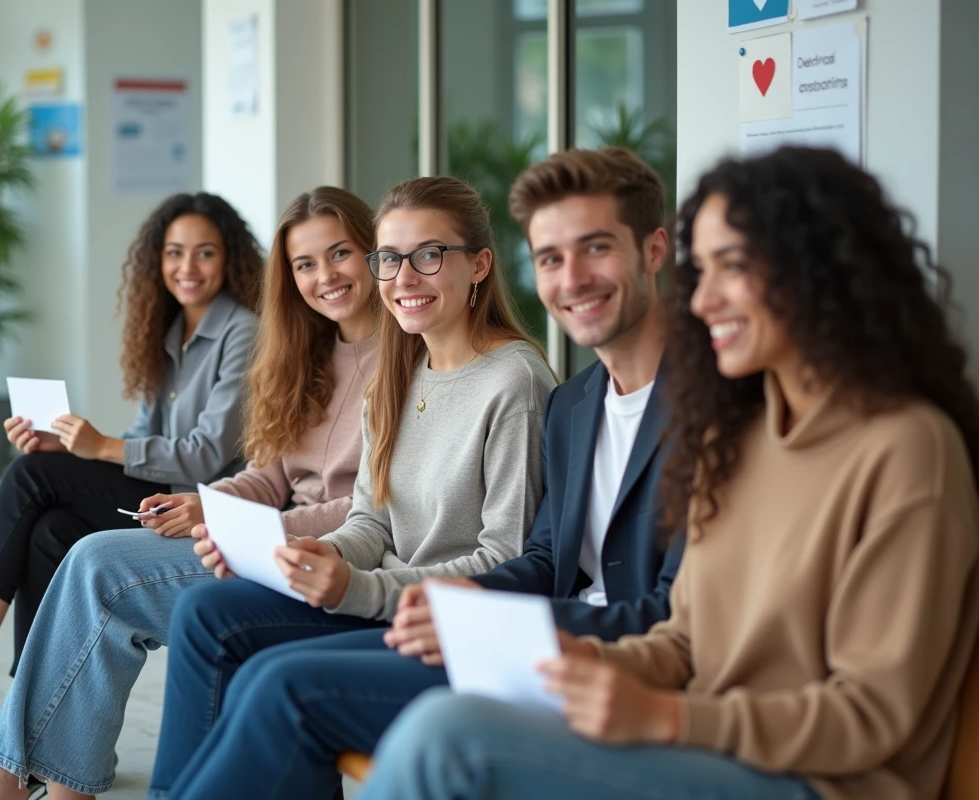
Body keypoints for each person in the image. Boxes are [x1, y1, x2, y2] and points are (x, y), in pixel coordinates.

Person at [357, 147, 979, 800]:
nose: (703, 299)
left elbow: (872, 714)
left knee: (450, 739)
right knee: (447, 718)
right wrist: (588, 661)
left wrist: (669, 717)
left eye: (732, 268)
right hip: (705, 740)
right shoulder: (737, 433)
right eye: (701, 270)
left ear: (819, 269)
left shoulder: (907, 450)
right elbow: (686, 637)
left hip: (820, 782)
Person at [154, 147, 686, 800]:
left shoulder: (528, 384)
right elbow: (380, 519)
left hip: (519, 635)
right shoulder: (574, 404)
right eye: (390, 258)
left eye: (429, 255)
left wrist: (378, 591)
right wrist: (315, 554)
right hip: (437, 606)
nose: (404, 276)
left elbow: (527, 563)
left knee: (279, 683)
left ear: (480, 265)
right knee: (211, 614)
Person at [0, 187, 382, 800]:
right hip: (258, 538)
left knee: (94, 558)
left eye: (340, 253)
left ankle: (0, 767)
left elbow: (371, 509)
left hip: (321, 556)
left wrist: (227, 514)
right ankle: (38, 782)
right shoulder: (307, 349)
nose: (324, 277)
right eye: (305, 264)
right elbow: (269, 474)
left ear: (376, 254)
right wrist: (208, 505)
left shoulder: (399, 357)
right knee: (68, 539)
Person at [0, 193, 262, 752]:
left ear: (230, 259)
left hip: (200, 503)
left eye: (204, 253)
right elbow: (144, 436)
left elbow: (207, 453)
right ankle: (38, 722)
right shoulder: (169, 333)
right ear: (156, 261)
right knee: (52, 531)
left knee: (31, 473)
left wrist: (96, 446)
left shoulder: (244, 330)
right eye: (174, 253)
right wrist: (73, 448)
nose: (187, 268)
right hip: (160, 486)